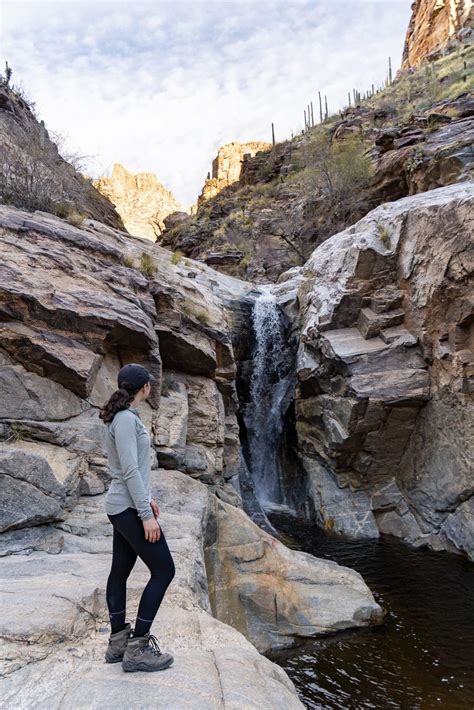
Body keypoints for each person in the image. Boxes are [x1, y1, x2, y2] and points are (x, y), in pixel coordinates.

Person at [99, 362, 176, 672]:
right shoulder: (127, 420)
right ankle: (137, 647)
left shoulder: (121, 418)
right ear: (144, 388)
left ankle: (118, 643)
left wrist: (148, 499)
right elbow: (129, 470)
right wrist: (145, 514)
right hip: (128, 509)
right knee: (164, 570)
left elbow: (129, 470)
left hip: (124, 504)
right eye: (150, 384)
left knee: (121, 570)